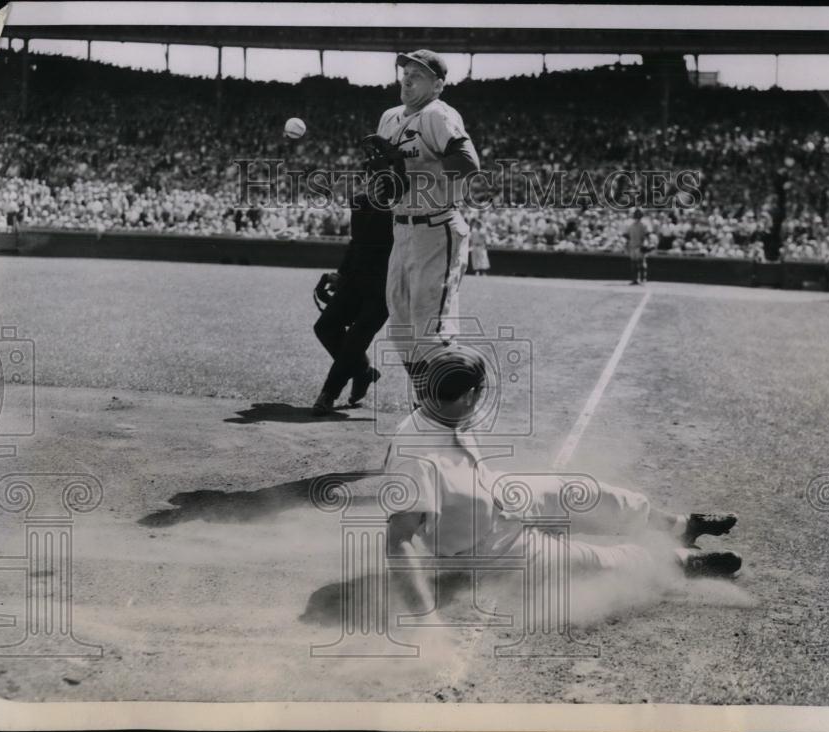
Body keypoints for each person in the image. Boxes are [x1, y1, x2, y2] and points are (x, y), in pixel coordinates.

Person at [384, 345, 742, 600]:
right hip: (481, 546)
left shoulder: (444, 407)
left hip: (496, 494)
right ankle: (681, 561)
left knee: (584, 491)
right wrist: (423, 617)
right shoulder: (416, 456)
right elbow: (398, 539)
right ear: (468, 397)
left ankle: (679, 527)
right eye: (479, 392)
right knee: (594, 562)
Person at [374, 50, 481, 402]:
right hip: (401, 227)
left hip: (437, 227)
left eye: (417, 74)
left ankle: (460, 399)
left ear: (437, 85)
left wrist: (414, 173)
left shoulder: (438, 114)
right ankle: (427, 396)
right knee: (401, 325)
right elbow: (388, 176)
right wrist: (382, 176)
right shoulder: (389, 117)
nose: (406, 78)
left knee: (430, 324)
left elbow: (467, 164)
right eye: (404, 71)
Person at [311, 191, 393, 415]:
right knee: (324, 327)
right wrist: (340, 274)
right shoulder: (360, 200)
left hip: (386, 283)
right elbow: (356, 242)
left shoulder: (407, 201)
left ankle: (329, 392)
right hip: (355, 279)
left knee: (357, 337)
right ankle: (363, 371)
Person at [626, 208, 648, 285]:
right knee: (634, 263)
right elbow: (628, 236)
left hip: (639, 245)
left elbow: (646, 236)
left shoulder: (643, 225)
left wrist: (644, 244)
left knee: (640, 262)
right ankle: (635, 279)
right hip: (633, 246)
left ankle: (642, 279)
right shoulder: (631, 225)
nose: (637, 216)